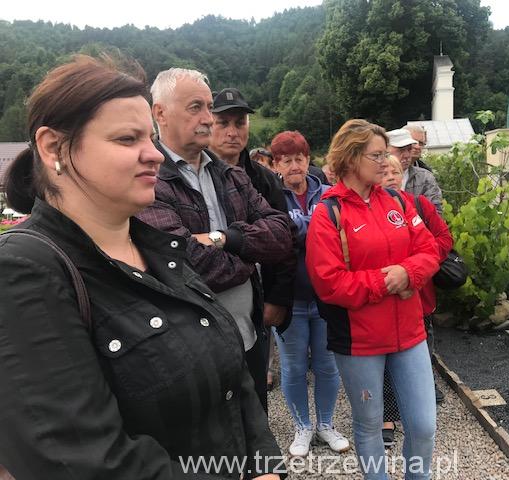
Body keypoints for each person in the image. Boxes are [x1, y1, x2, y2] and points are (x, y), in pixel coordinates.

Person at [0, 55, 283, 479]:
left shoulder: (158, 248)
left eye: (150, 138)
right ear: (53, 147)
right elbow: (84, 461)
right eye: (127, 139)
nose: (154, 155)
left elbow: (235, 380)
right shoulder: (26, 270)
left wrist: (265, 466)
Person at [137, 69, 295, 413]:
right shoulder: (147, 180)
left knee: (257, 433)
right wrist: (250, 255)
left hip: (248, 337)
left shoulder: (232, 175)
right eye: (195, 107)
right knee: (207, 437)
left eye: (209, 107)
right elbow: (186, 264)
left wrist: (224, 238)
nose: (208, 118)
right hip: (188, 348)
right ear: (160, 113)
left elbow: (283, 235)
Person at [306, 119, 441, 479]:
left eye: (385, 154)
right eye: (377, 155)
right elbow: (330, 283)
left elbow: (429, 249)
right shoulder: (328, 213)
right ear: (351, 159)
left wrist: (408, 273)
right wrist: (387, 281)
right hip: (360, 341)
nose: (386, 162)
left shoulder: (396, 200)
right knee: (369, 425)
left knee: (423, 425)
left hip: (409, 333)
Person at [208, 87, 298, 395]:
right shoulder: (190, 178)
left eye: (240, 123)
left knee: (254, 387)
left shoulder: (265, 179)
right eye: (223, 123)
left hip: (257, 296)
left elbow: (287, 240)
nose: (232, 132)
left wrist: (278, 298)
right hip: (212, 298)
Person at [270, 130, 350, 457]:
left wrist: (302, 229)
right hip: (290, 299)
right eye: (286, 160)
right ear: (276, 165)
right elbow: (280, 238)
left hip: (326, 298)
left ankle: (326, 424)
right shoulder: (271, 198)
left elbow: (342, 234)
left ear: (308, 160)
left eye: (299, 159)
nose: (294, 166)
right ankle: (302, 426)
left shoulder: (329, 194)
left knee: (328, 365)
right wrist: (315, 228)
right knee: (293, 368)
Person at [379, 154, 453, 447]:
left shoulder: (419, 205)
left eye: (396, 172)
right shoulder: (368, 211)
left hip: (420, 297)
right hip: (385, 300)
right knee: (385, 360)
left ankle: (416, 413)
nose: (391, 177)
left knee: (421, 354)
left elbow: (444, 240)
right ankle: (387, 416)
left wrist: (416, 267)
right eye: (384, 172)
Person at [387, 128, 443, 216]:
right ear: (386, 150)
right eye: (401, 150)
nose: (406, 155)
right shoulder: (374, 178)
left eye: (409, 149)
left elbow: (435, 213)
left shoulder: (425, 178)